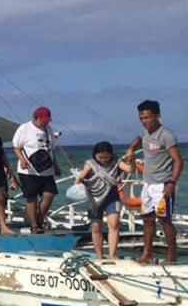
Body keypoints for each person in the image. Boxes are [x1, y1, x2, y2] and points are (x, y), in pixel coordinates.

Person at [125, 99, 183, 263]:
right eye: (141, 118)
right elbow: (139, 137)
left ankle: (172, 256)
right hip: (148, 184)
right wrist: (131, 149)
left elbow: (178, 161)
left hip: (163, 184)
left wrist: (172, 182)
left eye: (148, 118)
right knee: (147, 219)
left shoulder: (166, 135)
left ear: (157, 115)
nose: (145, 121)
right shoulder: (146, 133)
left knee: (165, 220)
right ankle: (147, 254)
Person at [75, 141, 132, 260]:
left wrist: (130, 158)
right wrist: (79, 180)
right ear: (94, 155)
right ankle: (99, 255)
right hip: (94, 198)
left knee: (114, 224)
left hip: (112, 195)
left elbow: (128, 169)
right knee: (96, 227)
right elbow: (82, 175)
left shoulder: (116, 161)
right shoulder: (90, 163)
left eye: (106, 157)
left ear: (111, 154)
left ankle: (112, 255)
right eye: (100, 157)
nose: (104, 160)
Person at [12, 106, 61, 233]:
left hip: (46, 168)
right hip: (29, 170)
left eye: (47, 120)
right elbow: (17, 147)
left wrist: (56, 165)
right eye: (43, 120)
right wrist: (22, 160)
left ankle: (40, 219)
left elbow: (51, 149)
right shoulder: (25, 128)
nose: (45, 123)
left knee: (49, 194)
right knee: (31, 197)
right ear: (35, 118)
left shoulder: (48, 129)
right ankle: (34, 225)